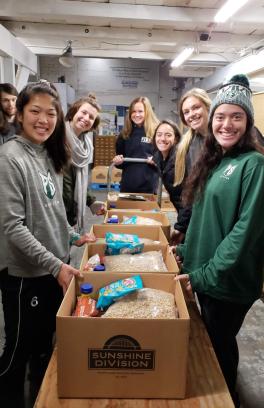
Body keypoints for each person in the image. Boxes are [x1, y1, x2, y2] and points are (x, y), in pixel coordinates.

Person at [0, 81, 95, 408]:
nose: (43, 120)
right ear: (20, 113)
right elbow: (13, 226)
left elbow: (53, 208)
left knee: (44, 349)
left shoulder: (50, 152)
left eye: (49, 113)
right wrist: (55, 265)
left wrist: (72, 236)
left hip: (55, 268)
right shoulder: (10, 157)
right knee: (17, 353)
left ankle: (39, 399)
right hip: (26, 275)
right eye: (35, 111)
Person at [175, 74, 264, 408]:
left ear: (248, 123)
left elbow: (244, 232)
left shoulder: (254, 164)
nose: (227, 124)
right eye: (222, 117)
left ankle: (225, 399)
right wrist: (186, 250)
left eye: (237, 117)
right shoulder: (216, 161)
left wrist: (203, 275)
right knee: (214, 344)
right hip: (209, 275)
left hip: (228, 282)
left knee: (218, 347)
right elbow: (203, 218)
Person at [170, 88, 211, 244]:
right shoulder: (189, 145)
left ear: (207, 106)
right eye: (186, 112)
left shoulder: (225, 137)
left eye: (196, 107)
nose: (191, 114)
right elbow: (189, 189)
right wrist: (182, 226)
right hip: (200, 216)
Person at [63, 93, 105, 232]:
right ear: (74, 111)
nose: (86, 118)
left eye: (91, 117)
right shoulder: (57, 138)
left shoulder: (85, 145)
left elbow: (78, 181)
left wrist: (91, 201)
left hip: (71, 214)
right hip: (56, 214)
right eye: (83, 112)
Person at [112, 96, 160, 193]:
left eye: (140, 111)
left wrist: (156, 161)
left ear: (147, 112)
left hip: (148, 186)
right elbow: (120, 160)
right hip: (127, 185)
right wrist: (117, 161)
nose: (136, 115)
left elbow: (164, 159)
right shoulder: (125, 134)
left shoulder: (157, 132)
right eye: (133, 111)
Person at [152, 119, 182, 209]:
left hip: (190, 210)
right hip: (179, 206)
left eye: (168, 135)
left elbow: (186, 198)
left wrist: (181, 222)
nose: (162, 139)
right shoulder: (159, 157)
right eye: (159, 134)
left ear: (176, 139)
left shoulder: (179, 160)